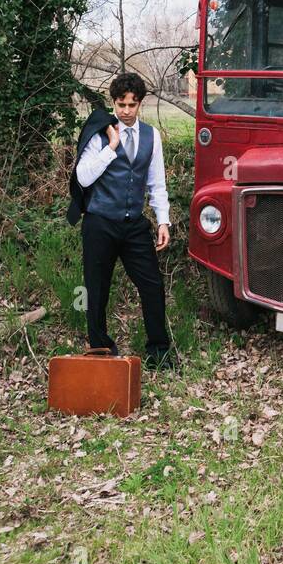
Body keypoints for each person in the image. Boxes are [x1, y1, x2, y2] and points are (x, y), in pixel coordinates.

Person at [68, 72, 175, 370]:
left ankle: (159, 350)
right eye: (121, 104)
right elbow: (83, 176)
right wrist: (111, 147)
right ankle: (100, 347)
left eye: (133, 104)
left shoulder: (152, 136)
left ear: (140, 103)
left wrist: (163, 221)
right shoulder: (100, 132)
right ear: (113, 102)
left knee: (152, 285)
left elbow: (157, 183)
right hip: (99, 222)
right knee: (96, 288)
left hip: (134, 224)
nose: (127, 110)